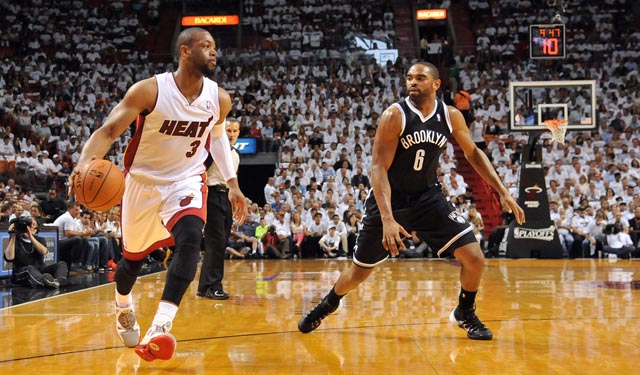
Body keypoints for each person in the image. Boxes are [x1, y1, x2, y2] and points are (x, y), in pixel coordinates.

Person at [298, 62, 525, 340]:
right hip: (390, 201)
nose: (412, 82)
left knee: (475, 258)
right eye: (409, 78)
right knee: (360, 272)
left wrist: (502, 190)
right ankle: (328, 303)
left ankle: (465, 311)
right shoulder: (395, 115)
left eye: (420, 77)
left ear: (436, 84)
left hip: (428, 198)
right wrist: (388, 218)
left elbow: (474, 154)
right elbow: (378, 168)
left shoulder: (451, 116)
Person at [69, 27, 247, 361]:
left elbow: (219, 139)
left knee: (193, 235)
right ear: (184, 51)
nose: (214, 52)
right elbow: (109, 130)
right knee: (131, 262)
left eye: (215, 48)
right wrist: (83, 163)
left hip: (186, 180)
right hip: (143, 184)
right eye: (206, 46)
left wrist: (233, 184)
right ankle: (123, 305)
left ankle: (160, 327)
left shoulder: (219, 98)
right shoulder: (150, 91)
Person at [196, 118, 241, 301]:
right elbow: (200, 172)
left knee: (220, 244)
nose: (231, 134)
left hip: (226, 197)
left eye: (234, 131)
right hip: (212, 195)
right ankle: (214, 286)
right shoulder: (212, 150)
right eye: (228, 131)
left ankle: (204, 286)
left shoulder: (236, 154)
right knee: (215, 244)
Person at [3, 216, 68, 288]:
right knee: (29, 268)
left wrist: (31, 237)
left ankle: (58, 282)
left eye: (33, 225)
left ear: (37, 228)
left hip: (40, 271)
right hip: (21, 273)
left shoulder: (40, 239)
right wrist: (13, 235)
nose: (30, 227)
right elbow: (9, 258)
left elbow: (43, 252)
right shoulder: (16, 240)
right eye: (28, 225)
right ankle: (45, 283)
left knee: (61, 263)